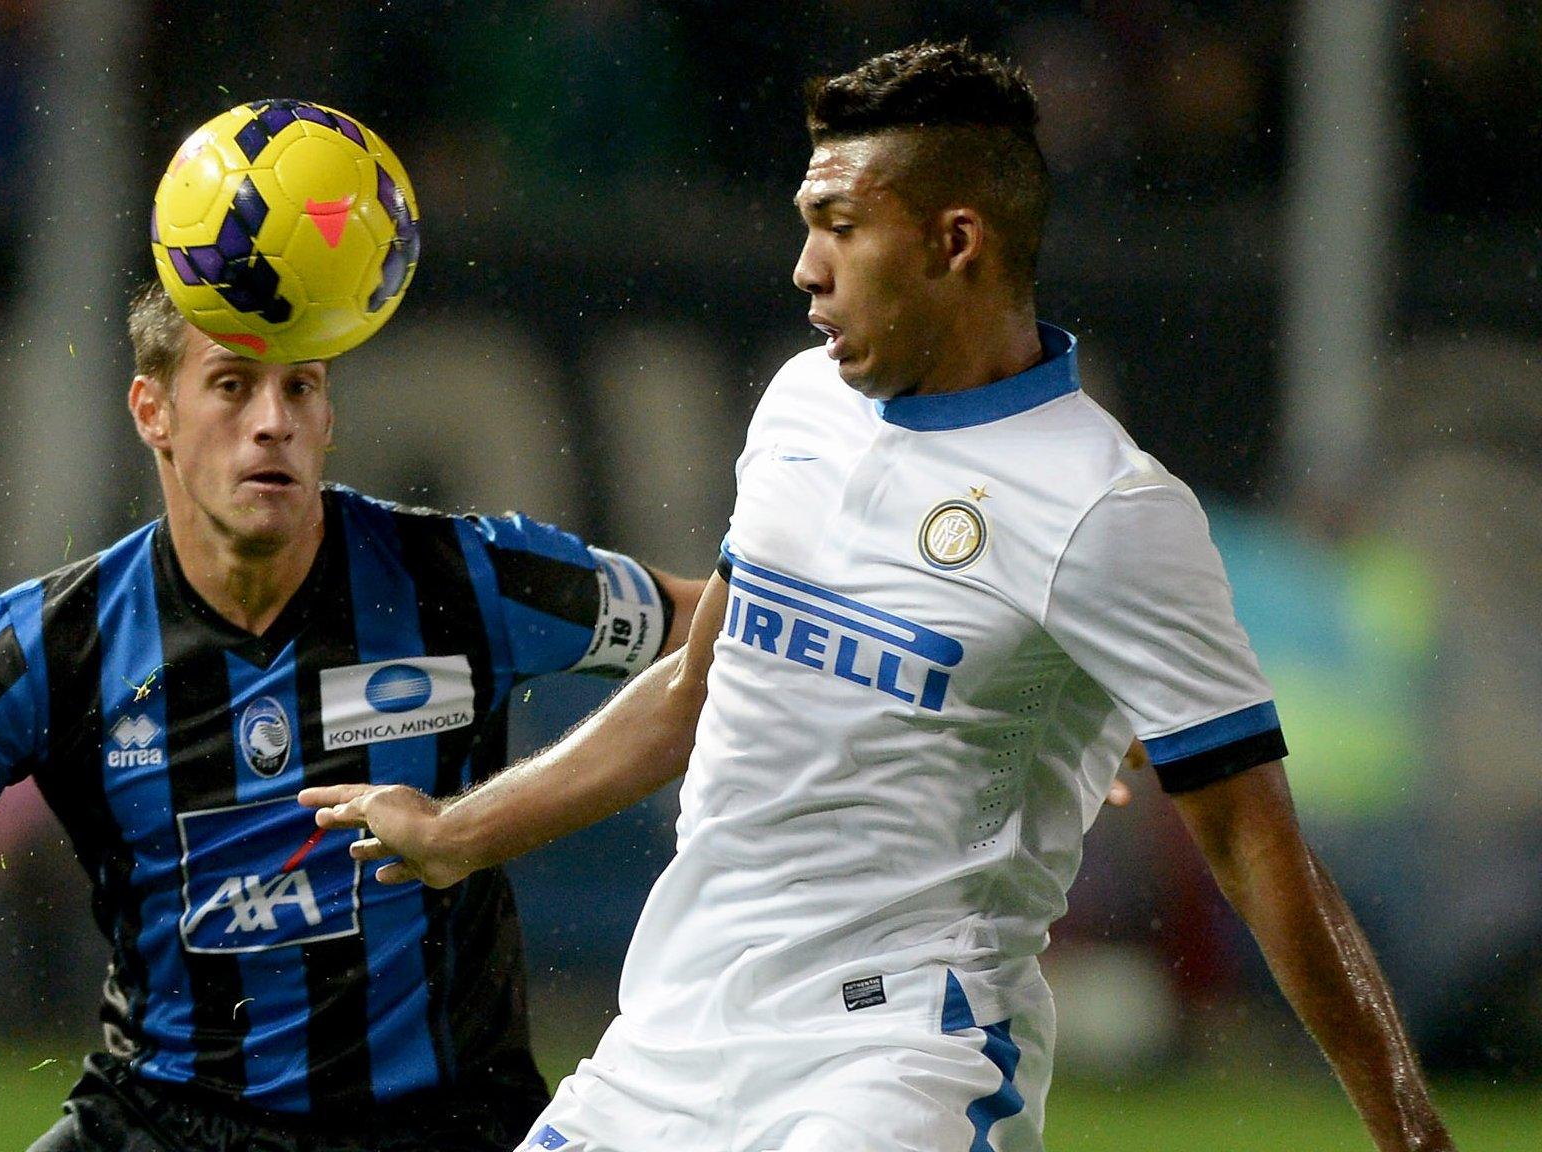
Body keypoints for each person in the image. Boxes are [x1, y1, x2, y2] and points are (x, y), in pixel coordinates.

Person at [303, 42, 1457, 1152]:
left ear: (955, 242)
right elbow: (705, 681)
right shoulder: (801, 403)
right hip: (671, 1035)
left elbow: (1255, 847)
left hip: (899, 1055)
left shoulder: (1105, 510)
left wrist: (1409, 1132)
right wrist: (459, 834)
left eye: (839, 228)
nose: (804, 267)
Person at [0, 283, 704, 1152]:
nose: (269, 424)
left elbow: (722, 639)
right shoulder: (43, 648)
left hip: (444, 1124)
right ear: (153, 412)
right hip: (167, 1123)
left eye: (300, 389)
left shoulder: (462, 576)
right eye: (231, 387)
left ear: (328, 415)